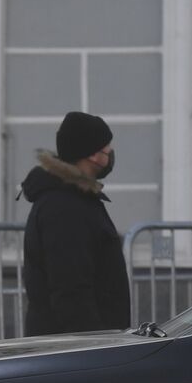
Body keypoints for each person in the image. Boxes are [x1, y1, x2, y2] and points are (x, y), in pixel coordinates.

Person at [20, 111, 131, 336]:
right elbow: (70, 289)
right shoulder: (65, 207)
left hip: (78, 346)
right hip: (74, 350)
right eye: (106, 146)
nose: (110, 152)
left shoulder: (77, 199)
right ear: (93, 155)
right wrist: (94, 343)